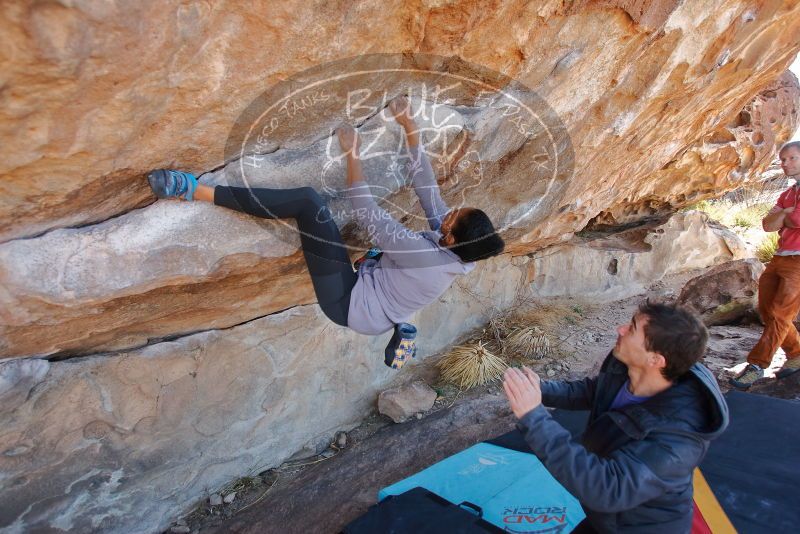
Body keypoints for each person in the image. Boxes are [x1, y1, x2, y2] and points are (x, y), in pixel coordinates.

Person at [146, 97, 505, 369]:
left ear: (452, 237)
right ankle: (390, 300)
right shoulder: (458, 249)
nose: (449, 211)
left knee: (307, 202)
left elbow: (367, 213)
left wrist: (353, 154)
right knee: (374, 244)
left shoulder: (426, 255)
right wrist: (408, 124)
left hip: (348, 304)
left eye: (453, 215)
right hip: (377, 287)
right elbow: (427, 188)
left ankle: (191, 189)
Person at [502, 301, 728, 533]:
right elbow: (594, 391)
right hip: (606, 519)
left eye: (631, 328)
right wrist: (540, 388)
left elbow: (607, 488)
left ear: (655, 360)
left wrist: (534, 418)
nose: (620, 329)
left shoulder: (678, 442)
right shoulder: (630, 373)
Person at [730, 141, 800, 388]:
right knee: (768, 311)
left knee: (781, 313)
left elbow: (794, 220)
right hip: (780, 257)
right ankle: (797, 354)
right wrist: (785, 213)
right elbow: (768, 225)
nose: (785, 164)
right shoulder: (787, 193)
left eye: (791, 158)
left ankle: (757, 365)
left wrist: (785, 215)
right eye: (782, 159)